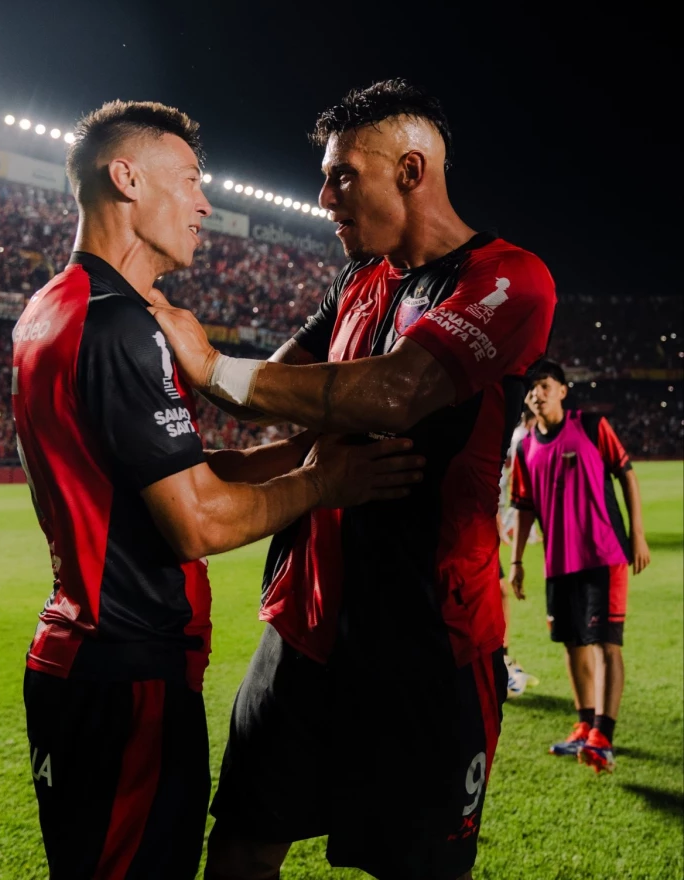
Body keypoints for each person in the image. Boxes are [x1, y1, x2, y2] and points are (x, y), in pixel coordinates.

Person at [148, 79, 557, 880]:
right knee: (238, 848)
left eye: (343, 176)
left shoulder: (510, 279)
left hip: (428, 649)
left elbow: (398, 390)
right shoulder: (355, 282)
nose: (324, 195)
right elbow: (273, 388)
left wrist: (211, 365)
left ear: (410, 170)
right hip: (302, 631)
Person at [11, 98, 423, 880]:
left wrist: (295, 450)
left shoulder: (52, 308)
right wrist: (323, 481)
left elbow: (178, 474)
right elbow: (195, 521)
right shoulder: (117, 324)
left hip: (82, 661)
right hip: (127, 672)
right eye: (191, 179)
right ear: (126, 178)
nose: (206, 202)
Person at [509, 359, 651, 774]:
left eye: (545, 385)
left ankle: (603, 737)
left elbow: (626, 474)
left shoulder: (590, 426)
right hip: (559, 563)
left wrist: (637, 534)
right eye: (532, 388)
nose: (538, 394)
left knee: (606, 643)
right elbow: (523, 507)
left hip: (604, 555)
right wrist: (517, 561)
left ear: (563, 390)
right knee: (573, 645)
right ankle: (584, 725)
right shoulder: (525, 447)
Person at [499, 408, 539, 698]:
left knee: (499, 591)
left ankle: (501, 661)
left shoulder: (504, 435)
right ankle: (500, 664)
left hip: (490, 515)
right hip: (473, 521)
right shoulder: (517, 436)